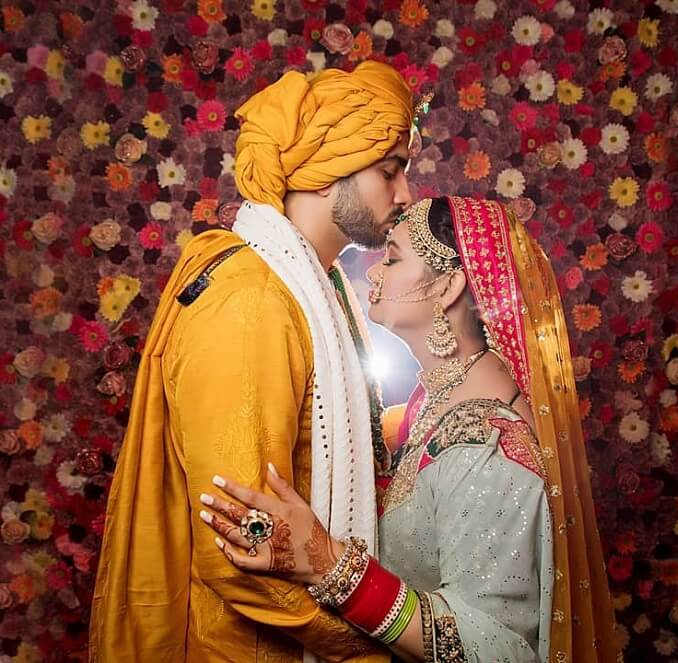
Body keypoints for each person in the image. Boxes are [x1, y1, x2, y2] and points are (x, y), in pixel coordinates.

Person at [198, 196, 621, 662]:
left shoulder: (485, 446)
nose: (374, 274)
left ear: (448, 287)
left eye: (393, 258)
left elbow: (504, 650)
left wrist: (328, 564)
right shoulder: (432, 405)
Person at [89, 61, 415, 662]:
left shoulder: (321, 290)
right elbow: (239, 545)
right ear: (326, 173)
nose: (405, 195)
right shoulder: (253, 300)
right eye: (390, 171)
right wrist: (365, 648)